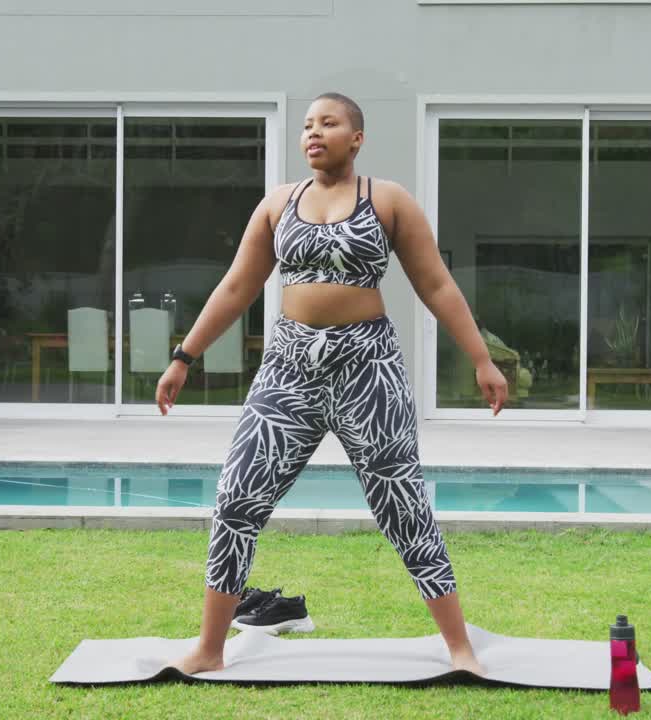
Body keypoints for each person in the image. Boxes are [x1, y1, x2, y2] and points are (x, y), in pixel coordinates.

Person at [155, 92, 509, 676]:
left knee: (404, 505)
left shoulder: (389, 201)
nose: (314, 132)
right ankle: (210, 647)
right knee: (237, 495)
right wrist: (183, 356)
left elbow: (436, 285)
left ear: (357, 137)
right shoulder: (277, 205)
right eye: (307, 125)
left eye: (329, 123)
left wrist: (482, 359)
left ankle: (460, 647)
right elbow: (236, 287)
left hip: (367, 367)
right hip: (289, 366)